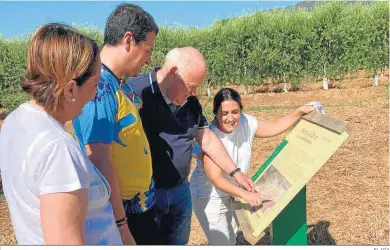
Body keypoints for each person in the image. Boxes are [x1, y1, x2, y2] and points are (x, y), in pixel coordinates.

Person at [0, 23, 122, 245]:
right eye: (95, 85)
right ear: (70, 89)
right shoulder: (57, 148)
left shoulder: (14, 121)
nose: (96, 94)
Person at [125, 47, 255, 245]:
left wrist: (237, 173)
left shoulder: (191, 102)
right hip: (147, 195)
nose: (194, 93)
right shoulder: (136, 92)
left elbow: (207, 139)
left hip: (180, 190)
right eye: (191, 86)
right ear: (173, 73)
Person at [72, 3, 160, 245]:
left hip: (138, 208)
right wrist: (121, 227)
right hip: (122, 217)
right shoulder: (99, 87)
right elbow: (99, 158)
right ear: (128, 40)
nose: (149, 60)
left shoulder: (119, 84)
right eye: (148, 50)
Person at [190, 88, 318, 245]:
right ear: (216, 113)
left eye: (235, 112)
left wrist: (299, 112)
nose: (230, 118)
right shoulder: (209, 137)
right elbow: (216, 179)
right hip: (210, 197)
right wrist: (246, 195)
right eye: (224, 113)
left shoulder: (246, 123)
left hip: (233, 193)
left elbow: (275, 126)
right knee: (222, 243)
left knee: (229, 239)